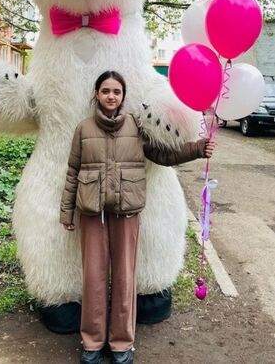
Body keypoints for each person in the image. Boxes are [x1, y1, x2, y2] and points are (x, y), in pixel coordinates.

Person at [60, 71, 215, 364]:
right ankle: (92, 343)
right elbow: (72, 172)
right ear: (96, 94)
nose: (110, 96)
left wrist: (198, 148)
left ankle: (121, 344)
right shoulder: (83, 129)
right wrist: (67, 212)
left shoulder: (137, 127)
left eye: (116, 91)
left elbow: (164, 155)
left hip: (127, 213)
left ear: (123, 96)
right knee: (93, 279)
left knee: (124, 278)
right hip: (93, 214)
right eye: (105, 90)